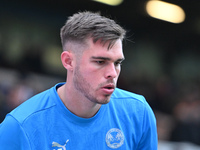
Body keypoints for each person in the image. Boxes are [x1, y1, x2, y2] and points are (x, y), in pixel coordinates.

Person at [0, 11, 157, 149]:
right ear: (68, 61)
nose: (112, 73)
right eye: (100, 62)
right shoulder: (20, 127)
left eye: (117, 63)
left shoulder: (138, 113)